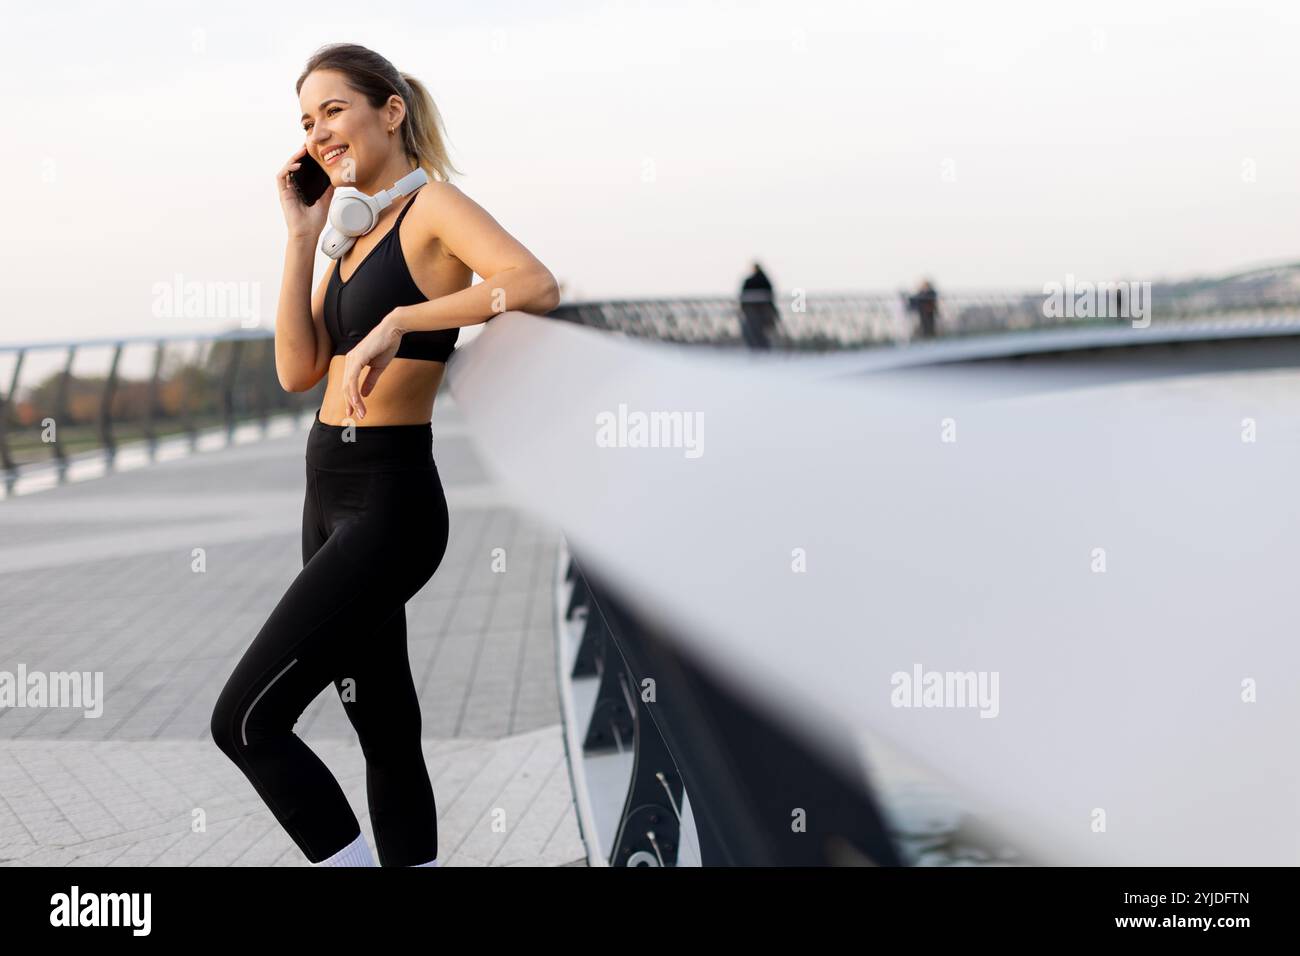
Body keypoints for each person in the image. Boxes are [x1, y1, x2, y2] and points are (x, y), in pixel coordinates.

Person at [210, 43, 560, 867]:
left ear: (390, 111)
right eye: (306, 121)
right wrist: (301, 237)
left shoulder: (432, 206)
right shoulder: (346, 237)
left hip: (390, 501)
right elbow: (299, 370)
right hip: (326, 490)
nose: (319, 131)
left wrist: (406, 321)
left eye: (333, 109)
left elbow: (534, 283)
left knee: (248, 722)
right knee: (386, 731)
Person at [739, 260, 779, 349]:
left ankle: (759, 347)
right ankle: (762, 347)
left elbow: (743, 297)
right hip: (761, 311)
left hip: (754, 312)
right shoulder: (765, 280)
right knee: (762, 331)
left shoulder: (750, 281)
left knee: (755, 331)